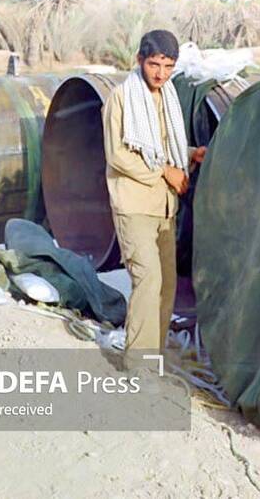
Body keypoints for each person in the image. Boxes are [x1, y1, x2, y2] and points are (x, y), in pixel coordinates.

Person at [101, 29, 206, 368]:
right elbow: (118, 155)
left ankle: (153, 357)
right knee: (148, 280)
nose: (161, 73)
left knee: (166, 285)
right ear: (139, 60)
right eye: (154, 64)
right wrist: (165, 172)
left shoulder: (167, 96)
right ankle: (138, 365)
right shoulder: (122, 98)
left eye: (168, 66)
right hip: (134, 206)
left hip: (164, 207)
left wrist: (190, 154)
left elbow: (160, 146)